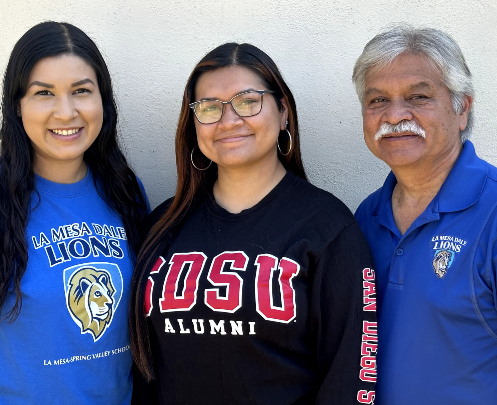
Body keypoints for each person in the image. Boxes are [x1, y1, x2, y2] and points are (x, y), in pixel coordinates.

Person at [0, 21, 147, 404]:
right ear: (17, 106)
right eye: (44, 93)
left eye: (81, 91)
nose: (66, 112)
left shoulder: (126, 193)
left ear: (103, 100)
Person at [129, 43, 377, 404]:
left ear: (284, 111)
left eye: (247, 101)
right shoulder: (163, 226)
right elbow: (142, 367)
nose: (228, 121)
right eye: (209, 108)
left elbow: (351, 379)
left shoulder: (328, 229)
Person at [352, 25, 497, 404]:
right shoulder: (367, 215)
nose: (394, 115)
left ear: (462, 109)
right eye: (377, 100)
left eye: (419, 96)